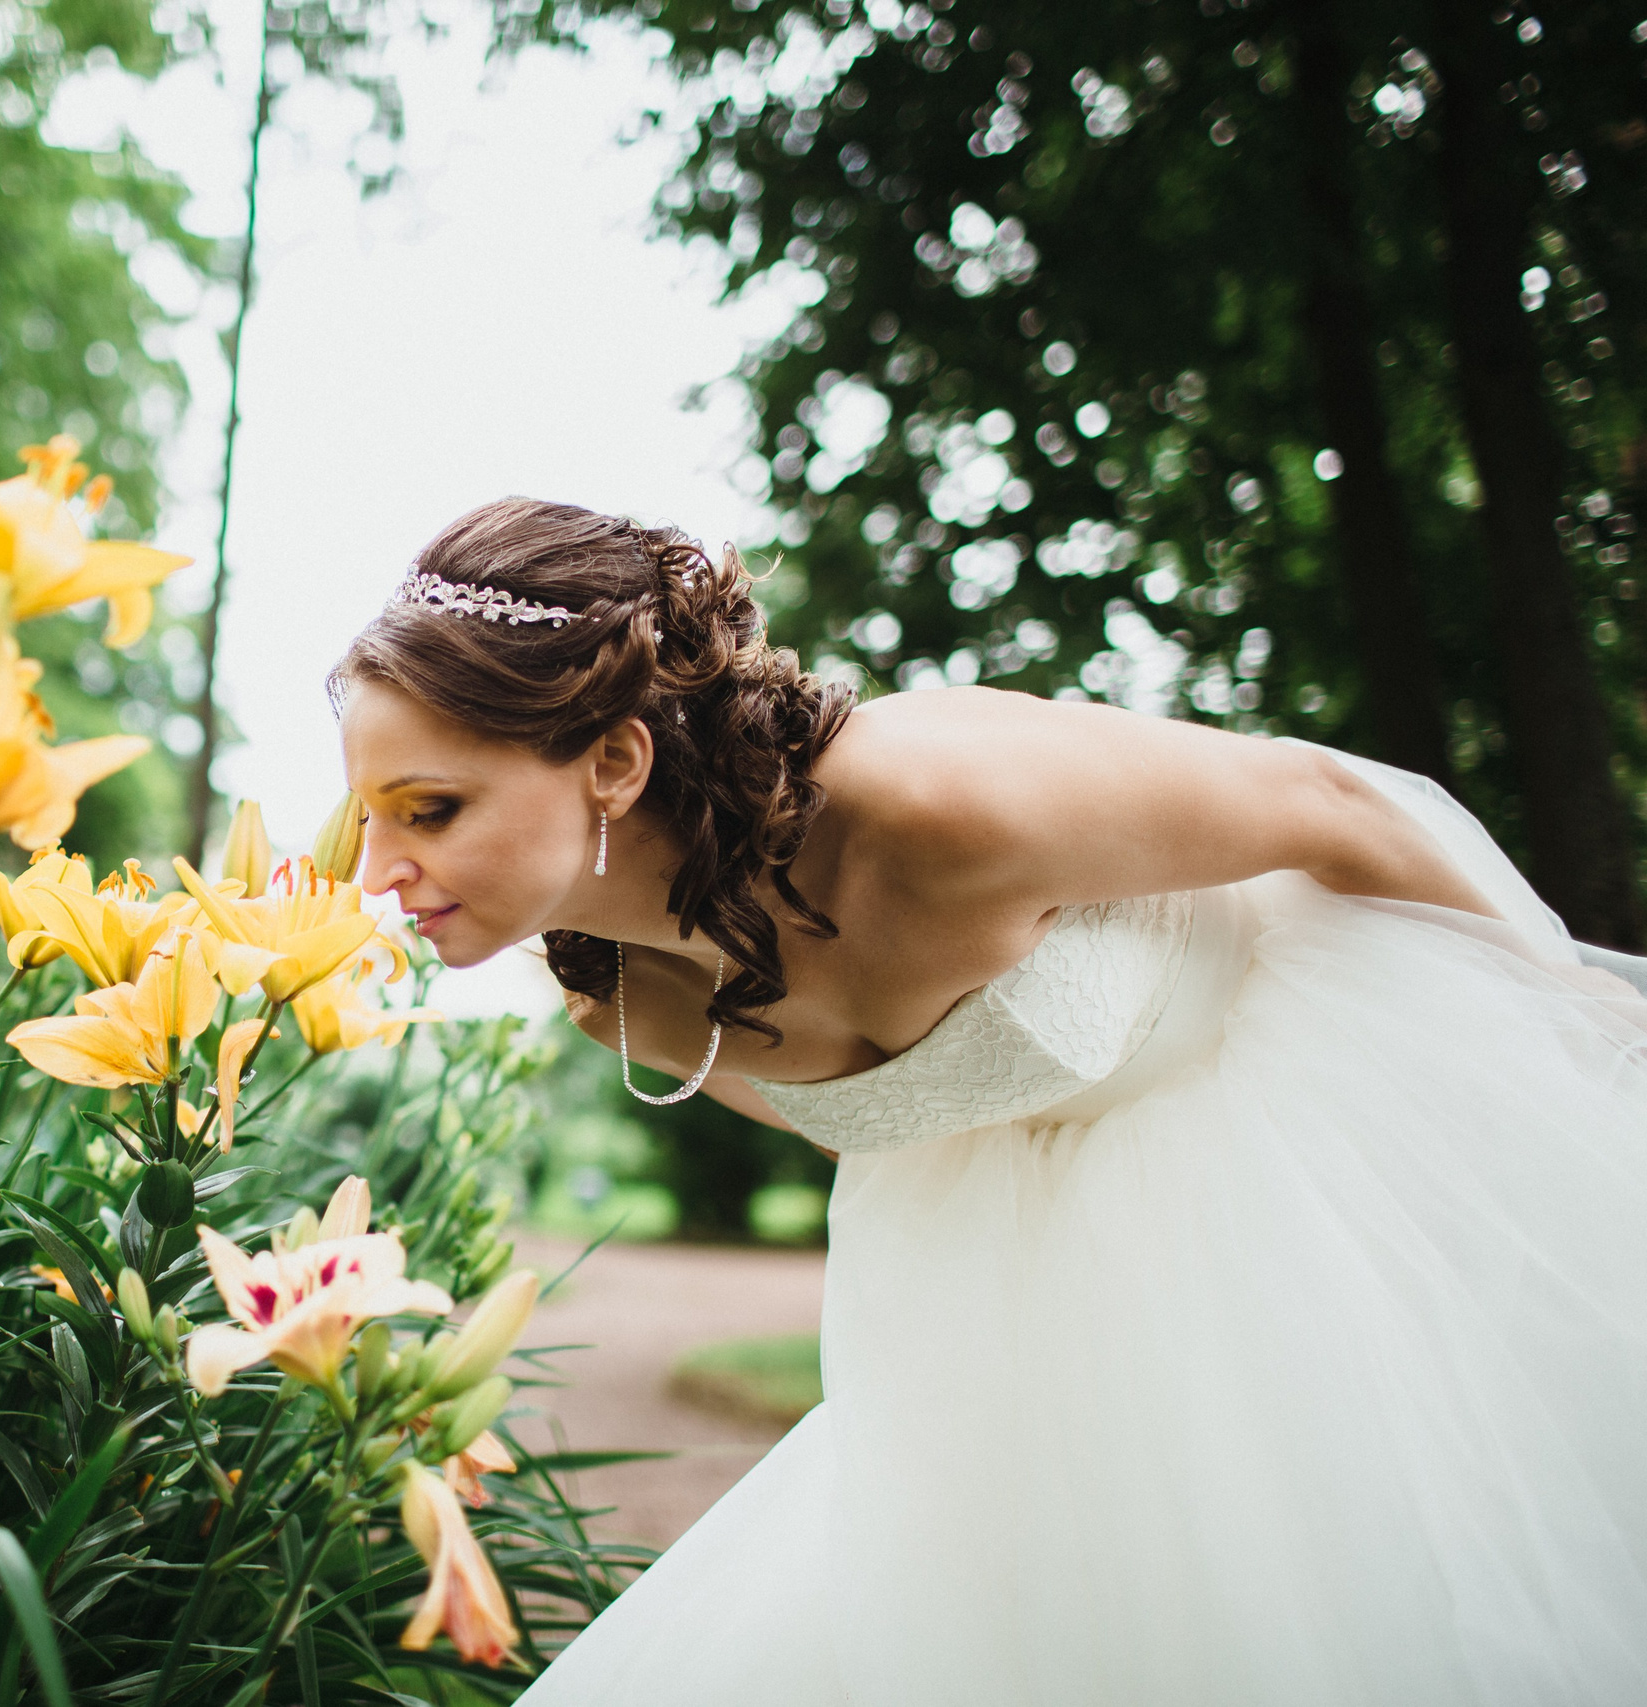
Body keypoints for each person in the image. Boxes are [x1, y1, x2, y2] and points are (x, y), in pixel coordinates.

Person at [332, 497, 1647, 1705]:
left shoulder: (930, 796)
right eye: (370, 819)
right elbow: (882, 1125)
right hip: (1003, 1295)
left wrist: (1561, 1037)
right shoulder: (625, 1004)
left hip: (1302, 1144)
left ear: (614, 761)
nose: (379, 868)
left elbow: (1334, 803)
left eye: (428, 811)